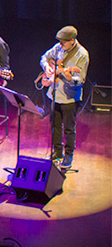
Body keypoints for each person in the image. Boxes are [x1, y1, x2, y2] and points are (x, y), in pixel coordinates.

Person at [39, 25, 89, 169]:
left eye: (64, 42)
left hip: (69, 98)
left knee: (68, 128)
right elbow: (44, 57)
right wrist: (46, 67)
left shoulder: (82, 54)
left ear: (72, 40)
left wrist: (69, 77)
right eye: (60, 42)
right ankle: (57, 152)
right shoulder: (58, 48)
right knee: (55, 126)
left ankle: (68, 155)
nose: (60, 45)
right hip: (54, 94)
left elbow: (80, 79)